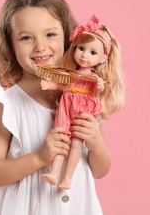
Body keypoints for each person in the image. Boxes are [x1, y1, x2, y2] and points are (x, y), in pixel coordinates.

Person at [0, 0, 111, 214]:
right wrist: (40, 157)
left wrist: (96, 143)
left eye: (50, 34)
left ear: (69, 36)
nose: (40, 46)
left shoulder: (86, 95)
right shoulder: (10, 104)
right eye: (26, 38)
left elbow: (100, 170)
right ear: (10, 45)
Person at [40, 15, 126, 189]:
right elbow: (62, 84)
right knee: (62, 138)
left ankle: (67, 178)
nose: (85, 56)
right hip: (66, 107)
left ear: (103, 58)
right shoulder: (71, 74)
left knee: (77, 143)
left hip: (81, 108)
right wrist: (50, 84)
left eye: (93, 52)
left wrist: (99, 88)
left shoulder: (93, 78)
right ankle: (54, 173)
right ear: (74, 48)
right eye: (81, 49)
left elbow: (96, 91)